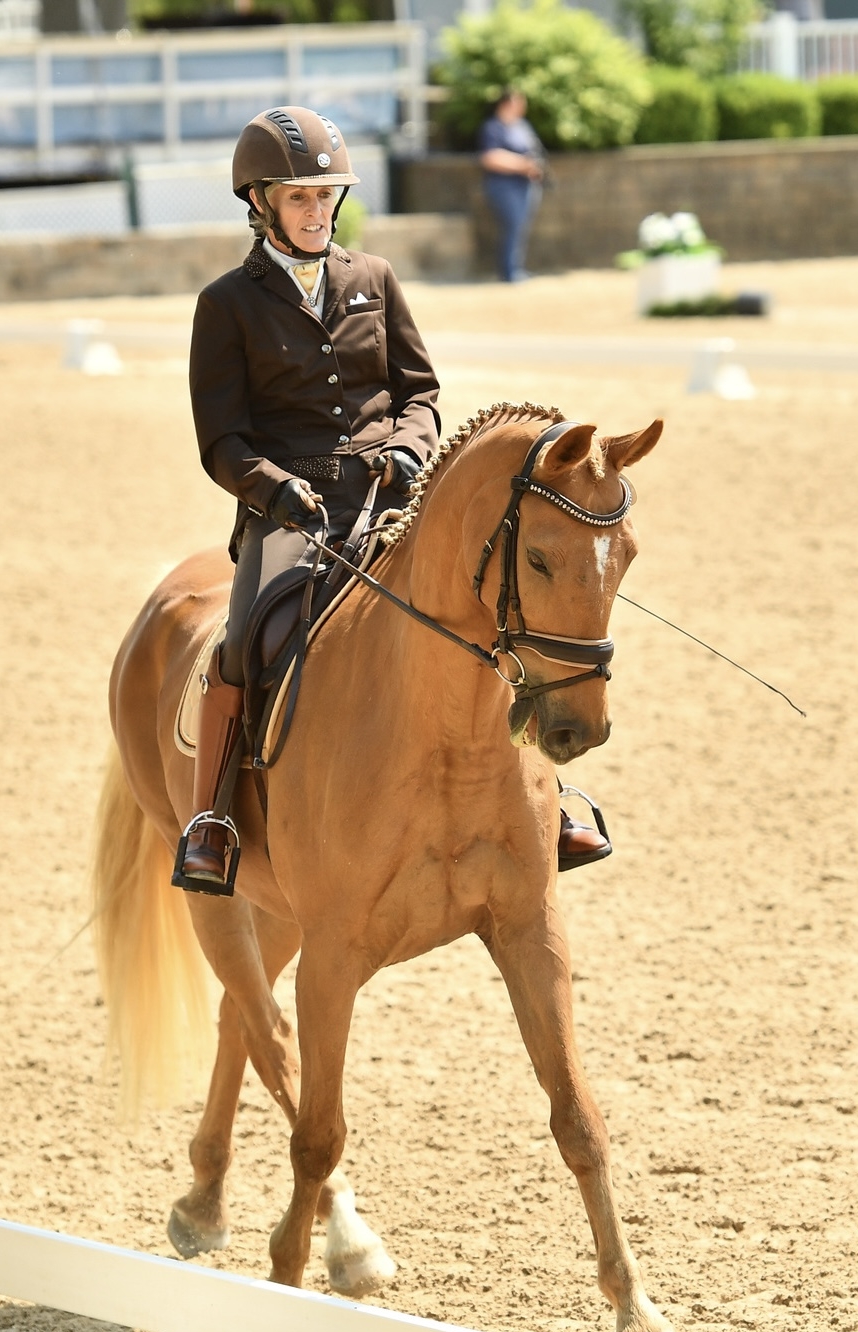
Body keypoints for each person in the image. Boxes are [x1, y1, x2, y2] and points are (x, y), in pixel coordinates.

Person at [173, 105, 609, 894]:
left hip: (391, 495)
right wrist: (275, 489)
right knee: (246, 642)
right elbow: (223, 440)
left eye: (325, 195)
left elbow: (419, 389)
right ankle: (213, 817)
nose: (317, 211)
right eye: (299, 198)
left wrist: (409, 448)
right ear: (261, 202)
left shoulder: (372, 279)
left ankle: (550, 794)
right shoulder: (227, 303)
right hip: (293, 513)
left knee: (493, 601)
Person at [478, 91, 544, 284]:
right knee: (512, 225)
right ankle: (508, 271)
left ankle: (516, 268)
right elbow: (490, 157)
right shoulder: (493, 128)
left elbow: (533, 152)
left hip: (526, 185)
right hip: (503, 186)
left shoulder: (522, 126)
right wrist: (522, 165)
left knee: (521, 227)